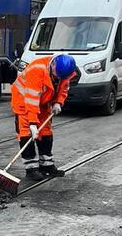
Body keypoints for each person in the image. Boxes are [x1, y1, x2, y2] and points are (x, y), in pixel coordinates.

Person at [11, 53, 80, 181]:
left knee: (46, 132)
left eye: (60, 76)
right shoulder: (37, 70)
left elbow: (64, 87)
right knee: (26, 134)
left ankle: (46, 165)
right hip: (24, 102)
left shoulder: (65, 72)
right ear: (53, 64)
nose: (57, 77)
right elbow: (32, 98)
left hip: (43, 101)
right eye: (56, 74)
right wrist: (32, 123)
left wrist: (58, 102)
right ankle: (31, 169)